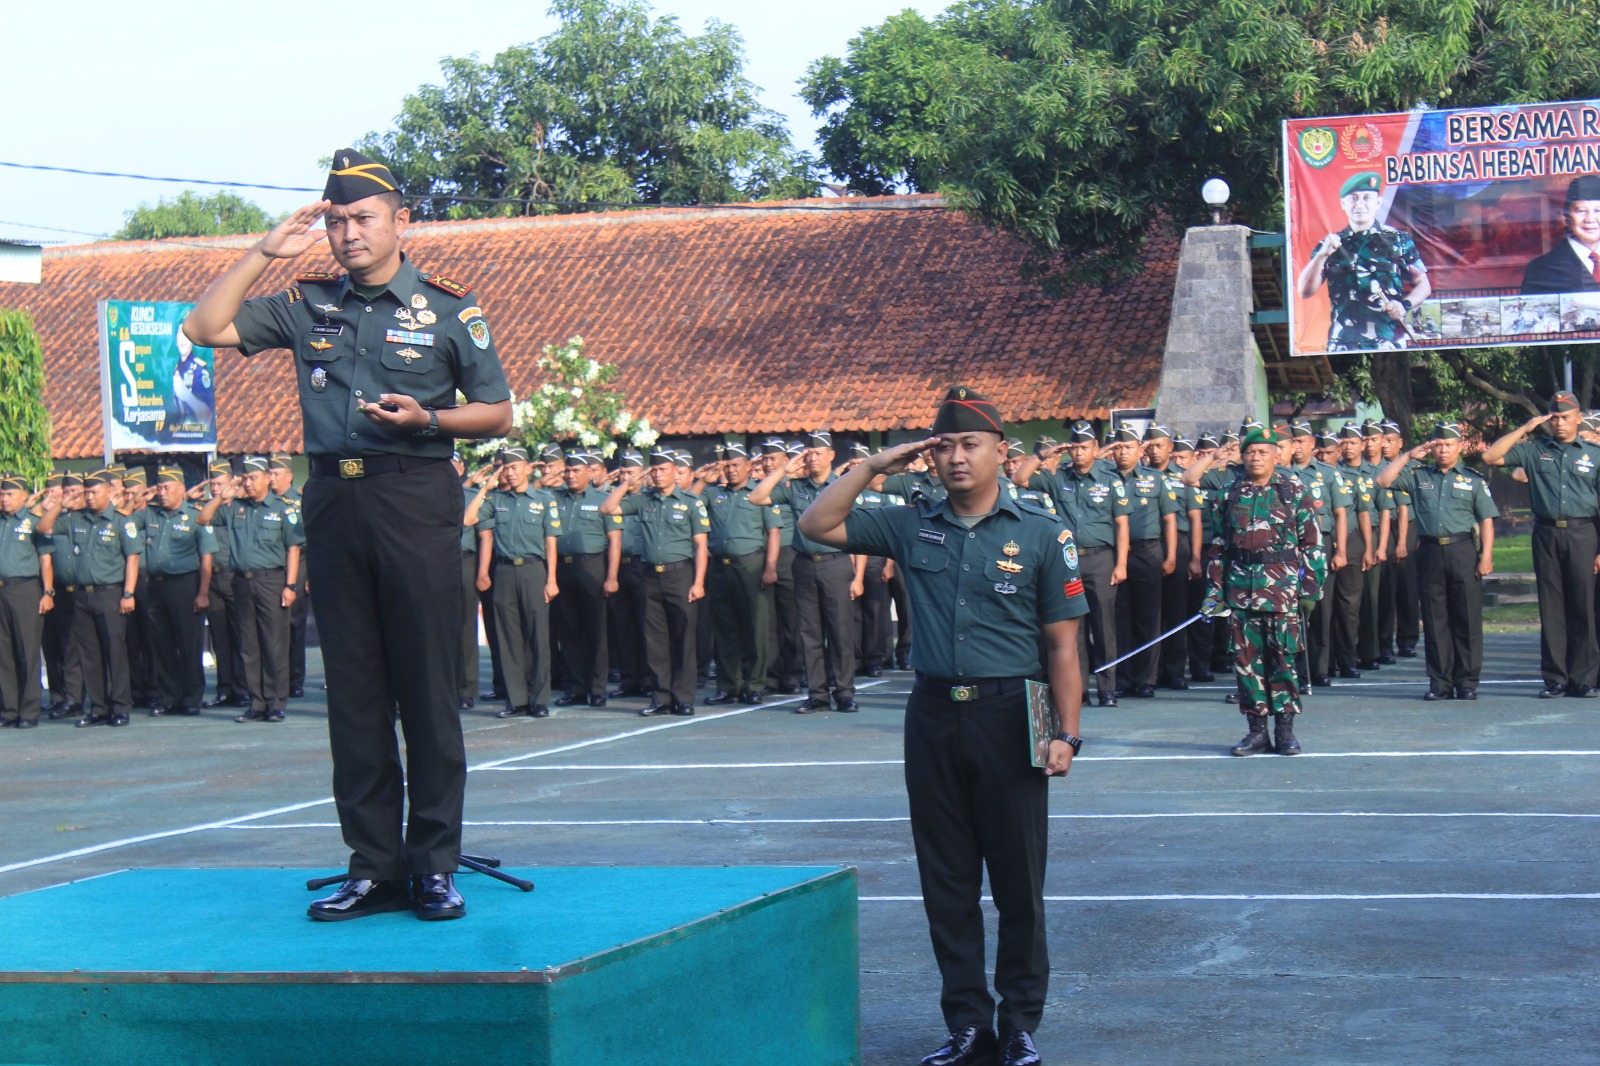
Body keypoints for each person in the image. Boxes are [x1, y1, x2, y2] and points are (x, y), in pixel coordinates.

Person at [184, 149, 514, 923]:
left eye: (362, 218)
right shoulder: (307, 303)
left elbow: (498, 412)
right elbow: (204, 327)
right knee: (355, 695)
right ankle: (373, 867)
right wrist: (264, 251)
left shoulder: (447, 308)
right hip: (333, 499)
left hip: (414, 494)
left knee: (426, 688)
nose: (348, 233)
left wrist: (429, 419)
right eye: (335, 221)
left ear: (402, 221)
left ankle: (433, 864)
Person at [797, 386, 1086, 1066]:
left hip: (1012, 711)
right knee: (947, 882)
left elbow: (1062, 648)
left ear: (1001, 453)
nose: (956, 457)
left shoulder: (1042, 533)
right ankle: (968, 1025)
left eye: (970, 445)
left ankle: (1018, 1024)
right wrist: (874, 465)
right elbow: (816, 524)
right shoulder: (911, 523)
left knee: (1018, 883)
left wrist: (1065, 733)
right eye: (945, 446)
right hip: (931, 714)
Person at [1206, 428, 1326, 757]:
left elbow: (1312, 544)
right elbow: (1218, 547)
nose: (1256, 458)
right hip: (1240, 592)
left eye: (1263, 452)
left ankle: (1285, 731)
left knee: (1283, 661)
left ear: (1276, 456)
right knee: (1246, 664)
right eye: (1250, 452)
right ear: (1242, 456)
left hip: (1282, 592)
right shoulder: (1228, 494)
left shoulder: (1293, 491)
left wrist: (1310, 589)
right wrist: (1214, 592)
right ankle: (1256, 732)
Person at [1482, 391, 1600, 697]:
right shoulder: (1535, 449)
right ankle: (1556, 678)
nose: (1560, 423)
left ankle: (1583, 678)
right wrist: (1525, 428)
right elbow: (1490, 457)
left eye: (1566, 418)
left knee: (1583, 606)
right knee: (1551, 606)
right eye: (1555, 418)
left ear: (1578, 419)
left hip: (1584, 533)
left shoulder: (1594, 454)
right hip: (1546, 533)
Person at [1012, 420, 1128, 706]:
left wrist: (1121, 563)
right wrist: (1043, 455)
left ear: (1095, 448)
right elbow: (1020, 478)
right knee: (1074, 630)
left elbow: (1121, 524)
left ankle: (1107, 689)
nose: (1078, 453)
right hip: (1068, 561)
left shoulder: (1110, 479)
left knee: (1104, 628)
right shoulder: (1057, 476)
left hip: (1101, 559)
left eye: (1084, 448)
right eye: (1074, 448)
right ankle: (1080, 690)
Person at [1377, 423, 1497, 699]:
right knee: (1434, 619)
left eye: (1449, 445)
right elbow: (1383, 481)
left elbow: (1486, 520)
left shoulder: (1473, 480)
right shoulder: (1419, 476)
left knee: (1467, 619)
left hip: (1463, 550)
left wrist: (1487, 556)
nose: (1443, 450)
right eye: (1438, 445)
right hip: (1430, 551)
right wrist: (1407, 456)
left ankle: (1467, 682)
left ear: (1460, 447)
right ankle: (1440, 682)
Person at [750, 431, 863, 714]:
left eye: (818, 453)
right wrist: (783, 470)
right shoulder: (794, 487)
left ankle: (845, 692)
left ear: (831, 455)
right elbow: (757, 497)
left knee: (840, 631)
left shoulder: (843, 485)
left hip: (836, 563)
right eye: (808, 453)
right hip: (803, 563)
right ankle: (818, 694)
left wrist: (858, 575)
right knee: (809, 633)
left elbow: (861, 531)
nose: (812, 458)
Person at [601, 449, 708, 717]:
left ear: (674, 471)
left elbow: (700, 546)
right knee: (655, 640)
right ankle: (661, 697)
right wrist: (628, 483)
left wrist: (698, 582)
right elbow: (608, 508)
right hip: (649, 575)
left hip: (680, 574)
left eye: (663, 469)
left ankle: (683, 698)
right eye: (655, 470)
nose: (658, 474)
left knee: (683, 638)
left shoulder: (691, 503)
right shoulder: (643, 500)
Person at [196, 456, 303, 724]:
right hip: (241, 582)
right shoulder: (235, 508)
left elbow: (293, 548)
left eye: (253, 478)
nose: (248, 483)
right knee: (248, 645)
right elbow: (202, 518)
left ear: (267, 478)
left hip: (271, 580)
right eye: (244, 479)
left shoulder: (282, 508)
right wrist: (221, 497)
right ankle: (257, 703)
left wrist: (290, 585)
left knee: (274, 644)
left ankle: (276, 703)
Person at [1296, 171, 1430, 351]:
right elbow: (1304, 291)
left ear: (1378, 203)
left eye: (1367, 197)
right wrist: (1322, 255)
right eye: (1353, 198)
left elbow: (1423, 285)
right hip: (1343, 343)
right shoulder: (1330, 244)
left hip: (1389, 340)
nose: (1359, 204)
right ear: (1343, 204)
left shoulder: (1398, 240)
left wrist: (1404, 305)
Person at [59, 470, 142, 728]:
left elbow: (132, 559)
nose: (90, 497)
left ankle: (120, 707)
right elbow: (43, 526)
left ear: (110, 491)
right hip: (82, 595)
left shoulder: (121, 521)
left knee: (115, 653)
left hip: (110, 593)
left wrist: (128, 593)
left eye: (94, 492)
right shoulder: (76, 519)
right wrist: (61, 504)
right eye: (86, 492)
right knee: (90, 655)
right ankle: (98, 708)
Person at [485, 447, 561, 720]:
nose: (509, 472)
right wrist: (487, 486)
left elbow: (550, 542)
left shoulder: (544, 499)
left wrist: (551, 579)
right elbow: (468, 518)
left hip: (533, 570)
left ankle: (539, 699)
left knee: (538, 637)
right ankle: (516, 700)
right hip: (504, 571)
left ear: (528, 468)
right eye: (505, 468)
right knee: (508, 639)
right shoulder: (496, 499)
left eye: (514, 467)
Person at [702, 442, 781, 705]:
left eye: (736, 465)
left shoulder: (760, 492)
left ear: (748, 466)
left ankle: (755, 684)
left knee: (756, 627)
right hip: (720, 567)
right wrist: (703, 480)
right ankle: (728, 686)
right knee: (725, 628)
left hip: (751, 565)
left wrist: (770, 567)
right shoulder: (713, 494)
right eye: (727, 466)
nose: (731, 470)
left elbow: (773, 532)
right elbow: (688, 502)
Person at [140, 467, 216, 718]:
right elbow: (124, 516)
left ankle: (192, 697)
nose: (161, 493)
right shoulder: (150, 515)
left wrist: (203, 592)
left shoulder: (195, 516)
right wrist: (140, 496)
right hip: (156, 586)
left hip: (185, 584)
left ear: (182, 489)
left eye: (166, 487)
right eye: (159, 487)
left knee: (189, 644)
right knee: (162, 644)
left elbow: (206, 558)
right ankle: (169, 698)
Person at [1288, 420, 1350, 687]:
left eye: (1301, 441)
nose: (1297, 447)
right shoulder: (1280, 474)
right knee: (1293, 611)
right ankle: (1296, 668)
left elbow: (1340, 514)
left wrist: (1341, 550)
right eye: (1293, 442)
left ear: (1312, 444)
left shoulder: (1328, 474)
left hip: (1320, 544)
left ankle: (1320, 667)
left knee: (1321, 609)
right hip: (1289, 547)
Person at [551, 448, 614, 707]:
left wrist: (611, 576)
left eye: (576, 470)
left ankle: (597, 689)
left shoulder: (602, 499)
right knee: (568, 631)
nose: (570, 475)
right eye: (567, 471)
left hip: (591, 566)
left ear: (590, 472)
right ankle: (575, 688)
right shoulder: (555, 498)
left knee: (595, 630)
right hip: (562, 568)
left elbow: (615, 539)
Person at [0, 474, 57, 729]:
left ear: (24, 496)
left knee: (27, 651)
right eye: (2, 494)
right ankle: (9, 710)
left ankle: (29, 711)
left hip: (24, 589)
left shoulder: (34, 522)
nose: (4, 499)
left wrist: (48, 592)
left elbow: (45, 560)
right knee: (4, 653)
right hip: (1, 591)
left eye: (10, 494)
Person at [199, 459, 246, 709]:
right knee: (220, 638)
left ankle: (243, 688)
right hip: (214, 577)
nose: (216, 488)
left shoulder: (241, 506)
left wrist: (234, 493)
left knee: (240, 636)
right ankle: (225, 689)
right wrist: (218, 498)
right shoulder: (212, 507)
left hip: (234, 576)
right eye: (213, 484)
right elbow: (202, 519)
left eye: (220, 483)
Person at [1377, 420, 1421, 659]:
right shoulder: (1376, 467)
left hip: (1408, 527)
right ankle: (1383, 642)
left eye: (1390, 440)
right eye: (1382, 440)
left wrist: (1404, 541)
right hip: (1384, 527)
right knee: (1386, 588)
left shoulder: (1413, 467)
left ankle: (1407, 640)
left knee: (1407, 587)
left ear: (1400, 442)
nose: (1385, 445)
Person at [268, 454, 310, 698]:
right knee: (274, 626)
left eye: (276, 474)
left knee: (295, 624)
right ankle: (277, 678)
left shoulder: (300, 502)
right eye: (270, 474)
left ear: (289, 475)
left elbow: (312, 539)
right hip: (273, 565)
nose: (272, 478)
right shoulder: (267, 502)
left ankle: (295, 678)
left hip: (300, 562)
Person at [457, 451, 495, 710]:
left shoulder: (472, 496)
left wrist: (482, 572)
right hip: (433, 563)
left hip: (463, 561)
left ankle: (466, 688)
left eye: (454, 465)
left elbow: (485, 536)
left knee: (465, 627)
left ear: (461, 468)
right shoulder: (429, 494)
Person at [1521, 177, 1600, 295]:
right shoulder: (1541, 269)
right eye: (1581, 211)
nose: (1590, 219)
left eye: (1598, 211)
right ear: (1565, 217)